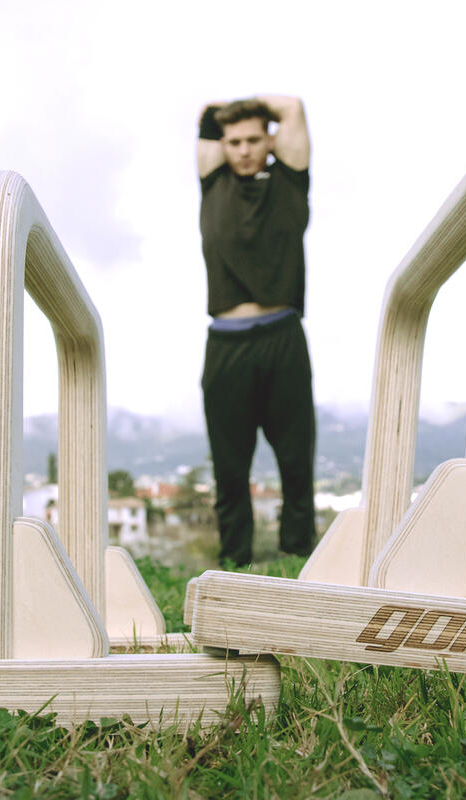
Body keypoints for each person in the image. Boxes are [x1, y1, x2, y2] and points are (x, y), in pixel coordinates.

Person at [196, 95, 316, 567]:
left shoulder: (290, 180)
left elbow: (293, 108)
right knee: (230, 470)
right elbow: (206, 116)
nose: (243, 150)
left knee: (296, 462)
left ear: (270, 140)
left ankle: (298, 562)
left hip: (282, 337)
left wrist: (254, 106)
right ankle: (234, 566)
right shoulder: (212, 183)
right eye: (233, 142)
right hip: (226, 344)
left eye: (253, 139)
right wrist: (225, 113)